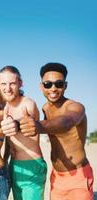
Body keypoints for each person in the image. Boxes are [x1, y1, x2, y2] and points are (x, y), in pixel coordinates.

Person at [20, 63, 94, 200]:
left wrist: (38, 126)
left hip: (78, 176)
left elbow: (67, 122)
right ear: (41, 86)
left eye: (58, 84)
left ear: (65, 85)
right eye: (48, 84)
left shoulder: (76, 107)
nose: (53, 88)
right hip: (57, 177)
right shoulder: (45, 108)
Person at [0, 66, 47, 200]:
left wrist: (16, 125)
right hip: (14, 165)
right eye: (3, 84)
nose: (7, 88)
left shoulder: (28, 104)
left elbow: (27, 121)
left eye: (12, 83)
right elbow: (9, 139)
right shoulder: (6, 107)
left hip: (32, 164)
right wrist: (4, 159)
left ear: (20, 83)